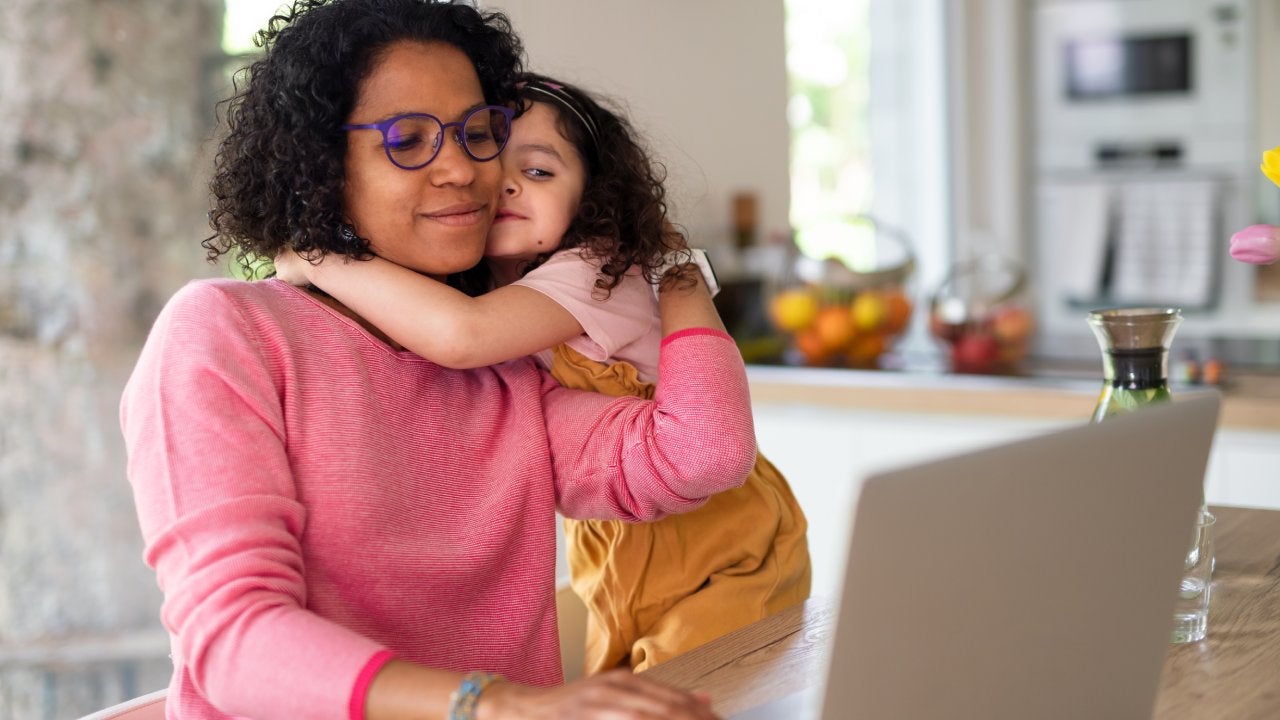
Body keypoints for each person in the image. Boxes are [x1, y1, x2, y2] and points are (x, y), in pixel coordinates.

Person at [119, 1, 755, 718]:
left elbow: (702, 453)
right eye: (408, 139)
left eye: (477, 133)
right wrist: (494, 706)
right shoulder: (228, 332)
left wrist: (674, 265)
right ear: (322, 166)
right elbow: (234, 642)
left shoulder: (506, 365)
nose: (463, 169)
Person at [275, 72, 812, 675]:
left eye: (538, 172)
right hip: (618, 548)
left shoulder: (597, 268)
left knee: (681, 704)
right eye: (490, 162)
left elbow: (462, 336)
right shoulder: (510, 288)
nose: (503, 183)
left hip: (725, 547)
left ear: (591, 199)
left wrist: (319, 258)